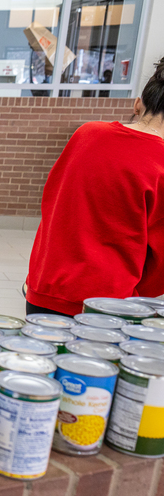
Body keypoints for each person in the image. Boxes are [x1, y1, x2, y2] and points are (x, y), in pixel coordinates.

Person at [26, 58, 164, 317]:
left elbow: (53, 204)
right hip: (109, 306)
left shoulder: (87, 133)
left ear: (137, 104)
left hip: (46, 289)